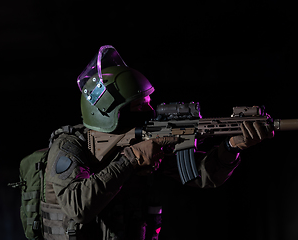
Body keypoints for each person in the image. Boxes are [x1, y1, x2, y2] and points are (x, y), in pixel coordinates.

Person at [43, 45, 274, 240]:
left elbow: (202, 176)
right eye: (139, 105)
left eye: (148, 102)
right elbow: (77, 207)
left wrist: (231, 147)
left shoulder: (145, 139)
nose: (150, 110)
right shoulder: (69, 145)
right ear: (111, 112)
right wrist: (129, 160)